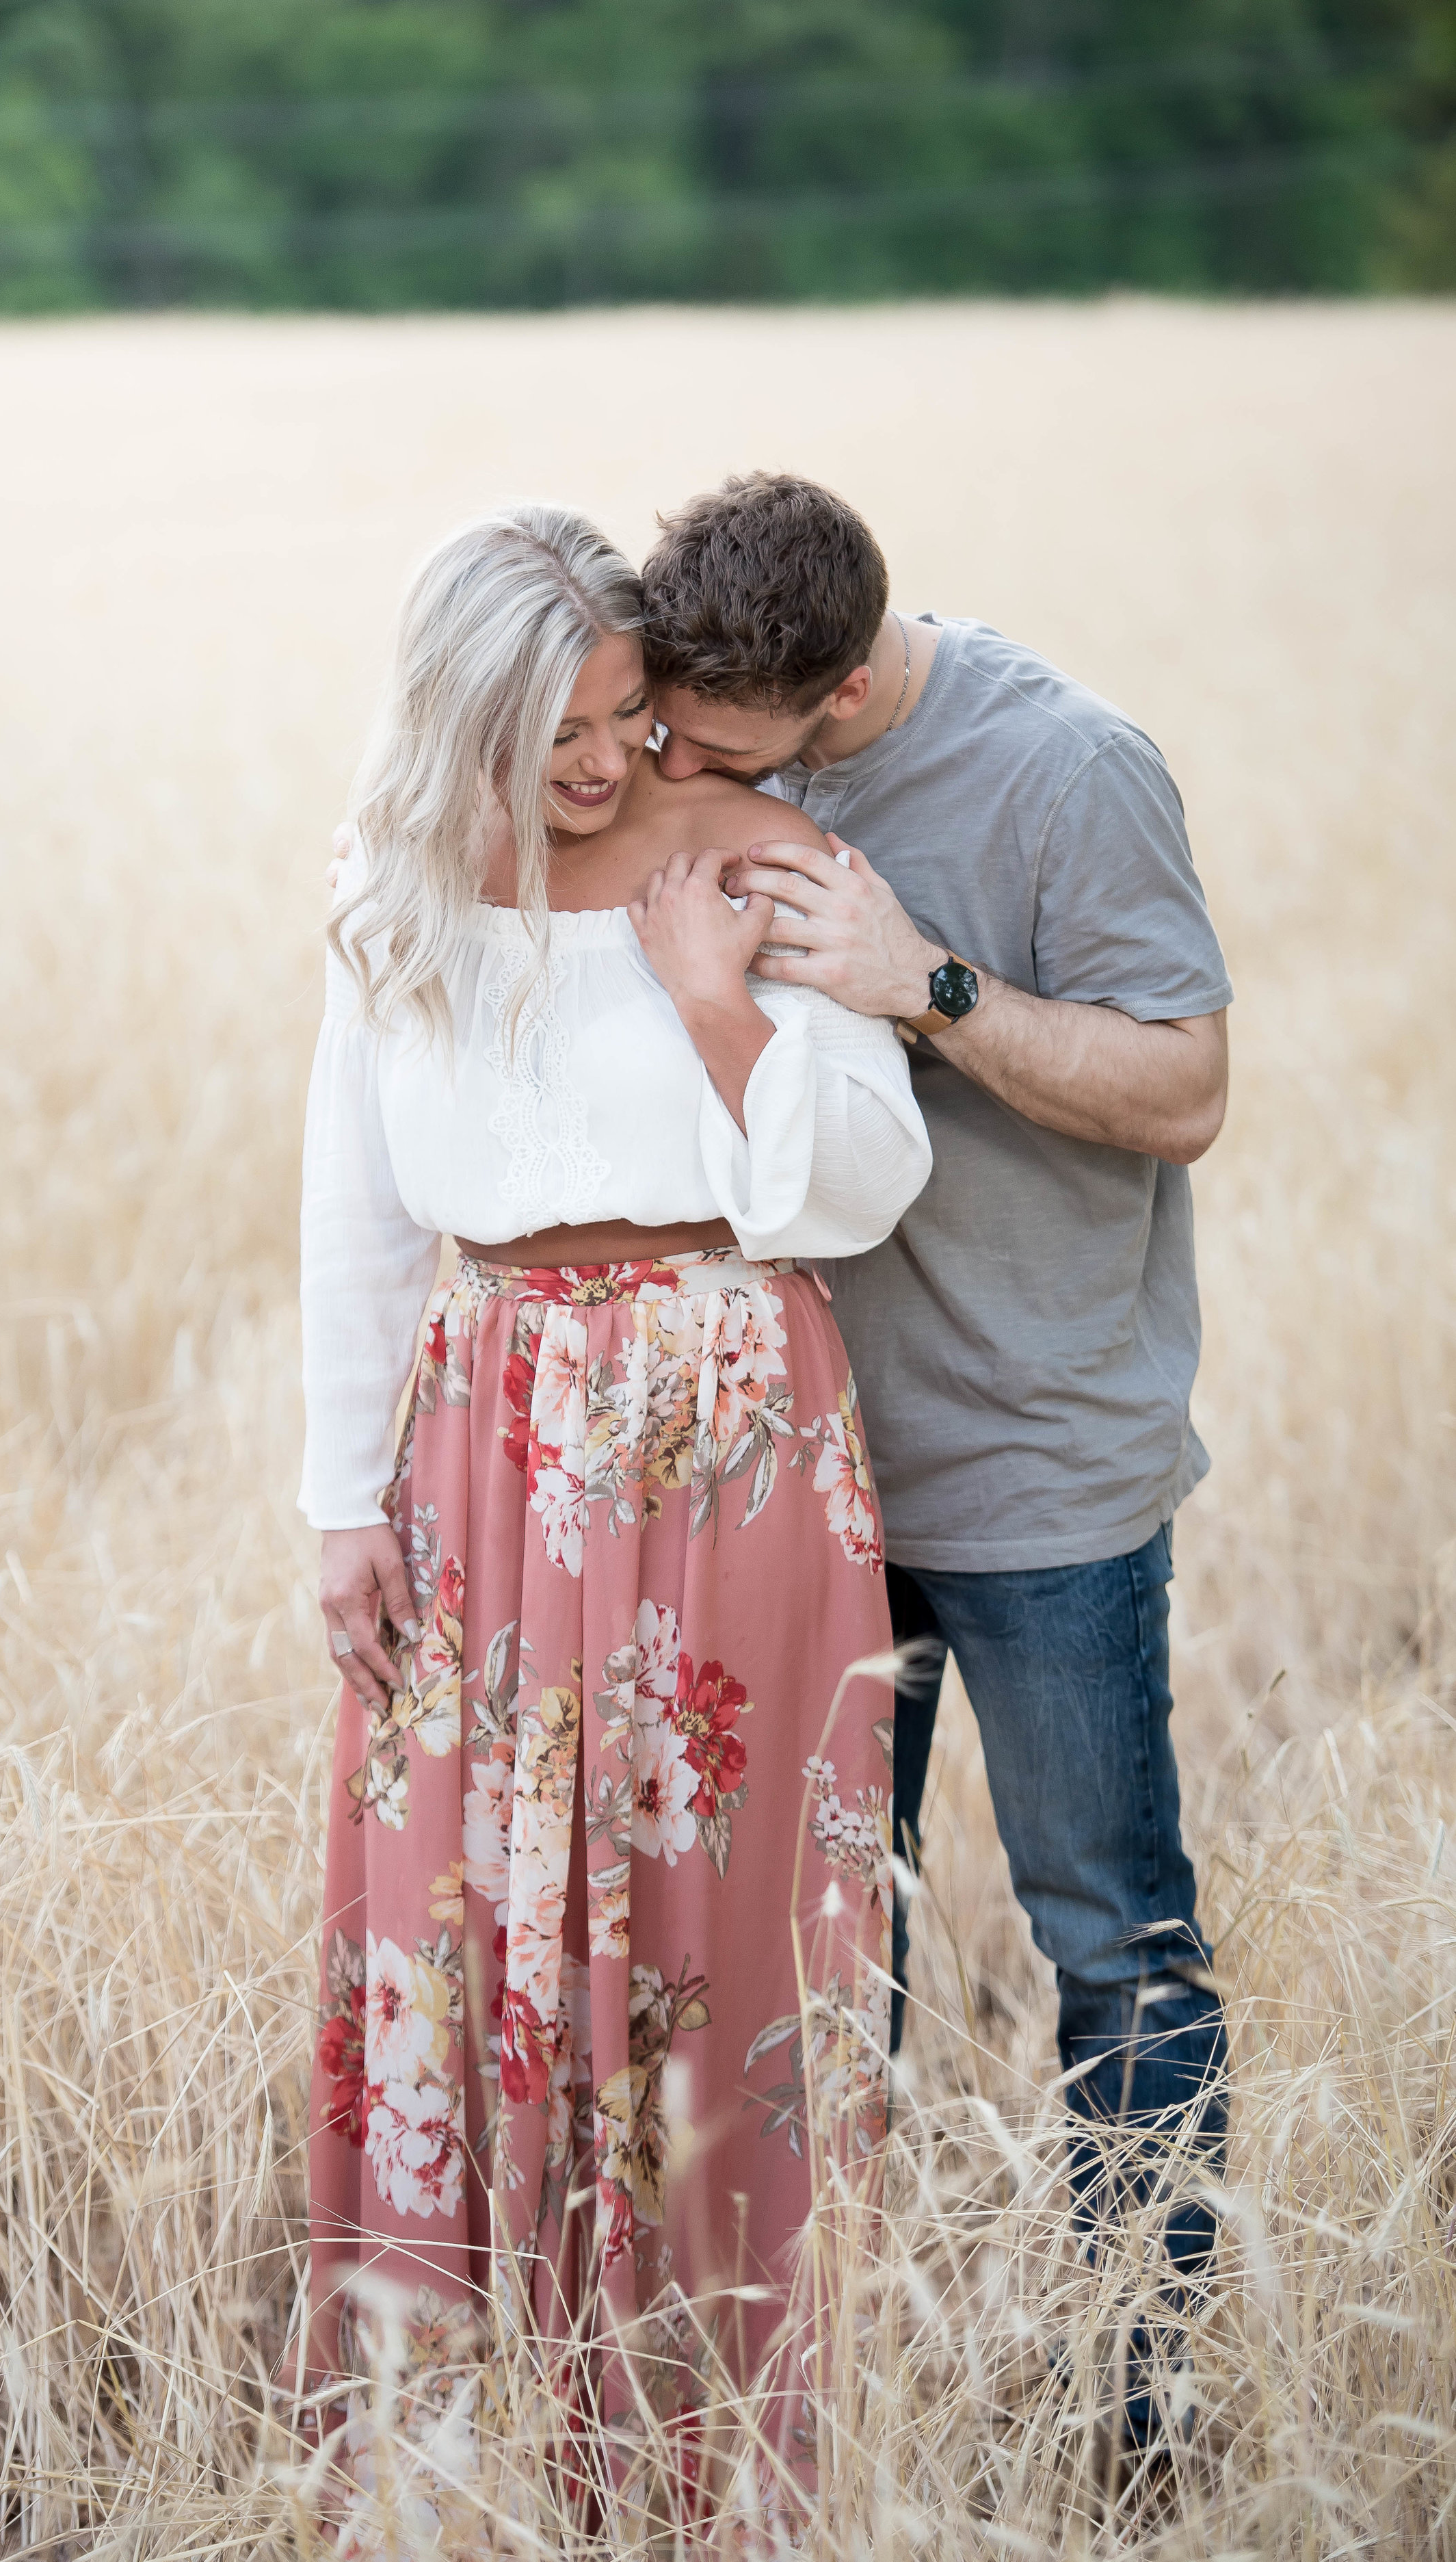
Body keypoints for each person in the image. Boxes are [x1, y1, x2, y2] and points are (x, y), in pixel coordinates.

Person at [290, 501, 931, 2506]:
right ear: (457, 719)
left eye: (625, 708)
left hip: (732, 1430)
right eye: (552, 726)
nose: (599, 759)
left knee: (721, 1921)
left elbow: (864, 1179)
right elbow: (359, 1213)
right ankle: (460, 2445)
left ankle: (718, 2443)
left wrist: (718, 995)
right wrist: (339, 1498)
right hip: (481, 1450)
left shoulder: (763, 855)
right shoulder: (395, 888)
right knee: (457, 1918)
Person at [639, 471, 1232, 2444]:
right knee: (818, 1956)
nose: (671, 765)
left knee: (1110, 1944)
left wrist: (930, 990)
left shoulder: (1066, 767)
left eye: (709, 744)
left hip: (1043, 1467)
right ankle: (827, 2390)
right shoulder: (694, 748)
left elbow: (1184, 1087)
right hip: (807, 1476)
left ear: (831, 691)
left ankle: (1140, 2404)